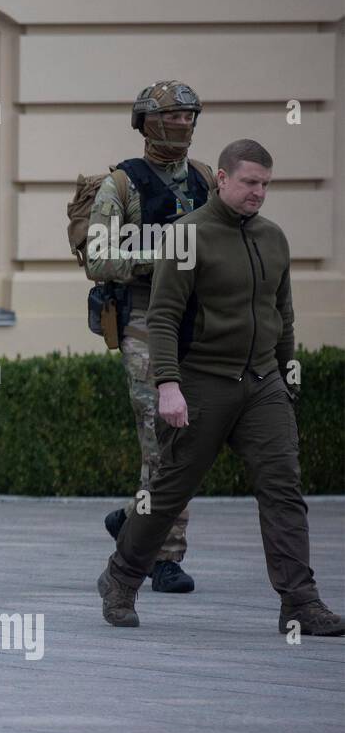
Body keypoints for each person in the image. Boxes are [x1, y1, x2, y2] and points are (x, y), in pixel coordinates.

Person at [97, 139, 344, 636]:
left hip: (262, 383)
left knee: (283, 490)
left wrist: (285, 378)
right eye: (250, 183)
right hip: (202, 381)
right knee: (168, 492)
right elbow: (163, 318)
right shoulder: (187, 237)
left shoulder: (273, 238)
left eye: (266, 185)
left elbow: (284, 315)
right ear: (223, 180)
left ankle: (300, 602)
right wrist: (168, 385)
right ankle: (120, 578)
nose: (259, 193)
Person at [87, 80, 215, 595]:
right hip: (142, 318)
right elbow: (99, 259)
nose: (182, 126)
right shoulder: (121, 186)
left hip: (199, 320)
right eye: (171, 118)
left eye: (189, 118)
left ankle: (132, 518)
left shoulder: (207, 180)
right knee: (163, 438)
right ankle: (163, 556)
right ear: (146, 123)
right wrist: (161, 262)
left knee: (200, 437)